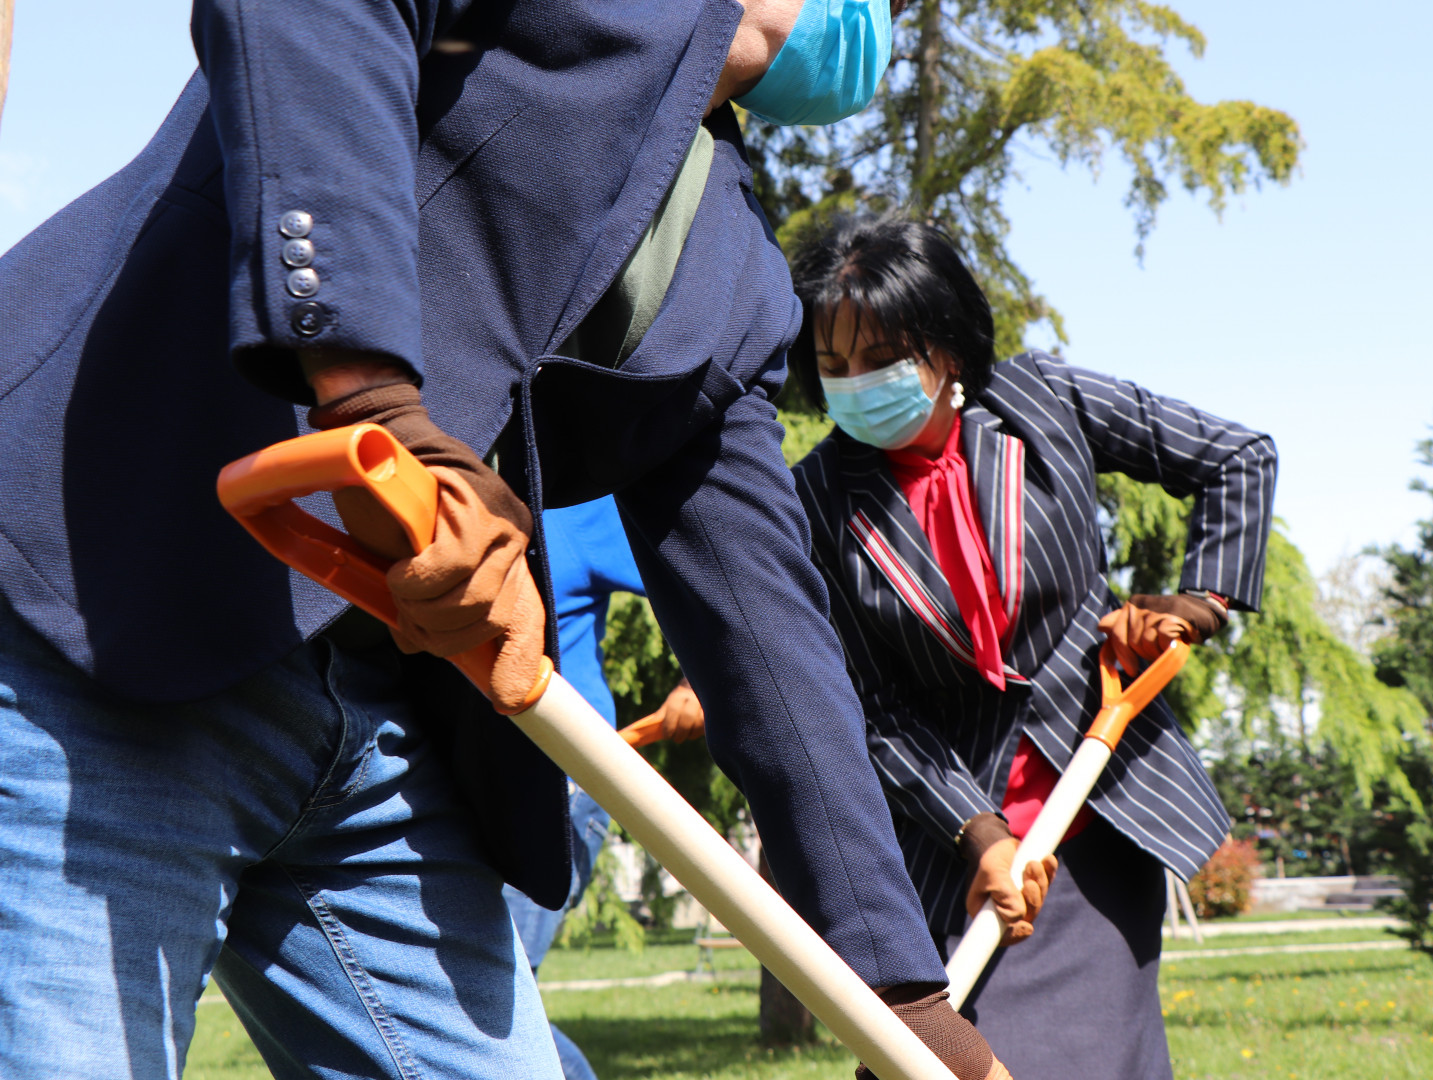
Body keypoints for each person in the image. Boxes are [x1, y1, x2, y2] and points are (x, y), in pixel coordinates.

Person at [0, 2, 1013, 1078]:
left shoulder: (737, 272)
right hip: (105, 605)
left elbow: (768, 633)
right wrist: (374, 400)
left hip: (383, 731)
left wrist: (901, 995)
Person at [788, 216, 1278, 1080]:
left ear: (947, 350)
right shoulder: (819, 499)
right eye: (833, 368)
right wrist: (979, 836)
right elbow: (871, 707)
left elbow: (1236, 457)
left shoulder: (1044, 402)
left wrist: (1198, 600)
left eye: (881, 360)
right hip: (952, 851)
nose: (856, 385)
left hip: (1097, 815)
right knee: (925, 1061)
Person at [503, 495, 704, 1080]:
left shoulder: (564, 504)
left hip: (565, 780)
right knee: (482, 991)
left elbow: (697, 575)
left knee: (504, 993)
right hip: (467, 788)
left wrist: (697, 682)